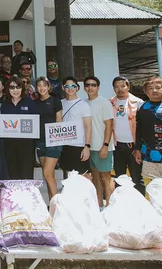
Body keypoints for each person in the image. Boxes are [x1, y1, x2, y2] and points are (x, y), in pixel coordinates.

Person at [110, 76, 144, 195]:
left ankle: (140, 203)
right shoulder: (110, 103)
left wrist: (138, 147)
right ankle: (122, 203)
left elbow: (142, 127)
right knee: (120, 178)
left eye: (122, 86)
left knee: (136, 178)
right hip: (117, 147)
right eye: (116, 87)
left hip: (133, 147)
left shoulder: (138, 103)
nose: (120, 89)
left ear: (128, 87)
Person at [84, 76, 115, 207]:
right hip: (89, 148)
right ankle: (99, 206)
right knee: (95, 178)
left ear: (98, 87)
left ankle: (111, 207)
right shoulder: (84, 103)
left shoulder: (104, 103)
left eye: (93, 85)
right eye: (87, 85)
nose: (90, 87)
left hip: (102, 147)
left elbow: (109, 125)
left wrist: (105, 145)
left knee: (106, 178)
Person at [0, 76, 38, 180]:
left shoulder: (30, 103)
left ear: (22, 88)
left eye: (18, 87)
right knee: (13, 174)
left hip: (27, 145)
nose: (15, 90)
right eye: (12, 87)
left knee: (27, 175)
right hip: (9, 144)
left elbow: (35, 123)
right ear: (8, 89)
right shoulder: (5, 105)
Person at [35, 77, 63, 199]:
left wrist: (56, 139)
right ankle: (52, 203)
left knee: (47, 173)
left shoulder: (55, 101)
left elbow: (59, 120)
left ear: (49, 87)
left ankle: (57, 205)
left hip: (53, 141)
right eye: (39, 85)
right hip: (40, 141)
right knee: (47, 175)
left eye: (44, 85)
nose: (42, 88)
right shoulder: (34, 103)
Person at [59, 77, 92, 175]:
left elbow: (88, 127)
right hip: (65, 145)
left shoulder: (83, 105)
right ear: (63, 88)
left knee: (83, 176)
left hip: (79, 146)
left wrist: (87, 147)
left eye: (73, 86)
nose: (70, 88)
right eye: (67, 86)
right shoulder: (60, 103)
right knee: (68, 175)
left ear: (77, 88)